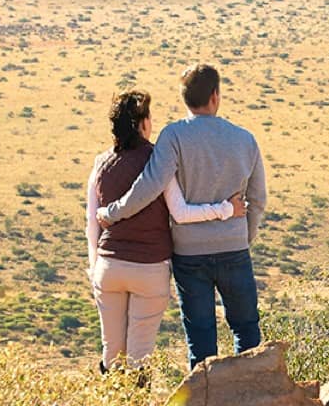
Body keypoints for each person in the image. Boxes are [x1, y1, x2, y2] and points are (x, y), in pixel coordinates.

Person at [97, 64, 267, 367]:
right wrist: (243, 236)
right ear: (215, 96)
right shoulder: (245, 139)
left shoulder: (173, 136)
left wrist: (113, 212)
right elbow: (258, 199)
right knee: (247, 332)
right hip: (234, 249)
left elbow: (149, 185)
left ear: (184, 97)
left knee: (200, 341)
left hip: (189, 255)